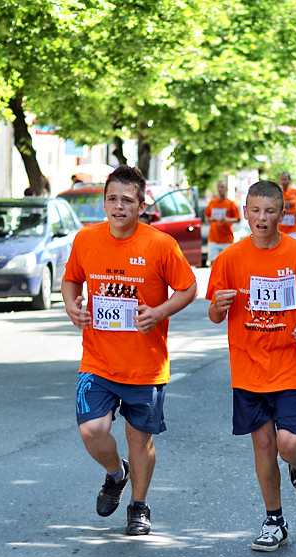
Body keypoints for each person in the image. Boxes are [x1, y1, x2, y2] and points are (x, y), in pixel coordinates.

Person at [62, 165, 198, 536]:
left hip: (145, 365)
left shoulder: (160, 245)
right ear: (103, 203)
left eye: (127, 200)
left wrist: (159, 312)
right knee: (92, 430)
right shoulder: (86, 239)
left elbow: (188, 288)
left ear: (141, 206)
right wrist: (72, 306)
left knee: (139, 438)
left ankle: (139, 505)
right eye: (112, 199)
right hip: (98, 360)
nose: (119, 206)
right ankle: (116, 473)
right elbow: (71, 280)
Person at [206, 180, 296, 552]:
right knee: (263, 445)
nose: (262, 218)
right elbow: (214, 314)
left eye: (270, 211)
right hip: (248, 367)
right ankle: (274, 520)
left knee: (288, 444)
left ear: (282, 213)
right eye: (255, 211)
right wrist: (218, 306)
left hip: (292, 362)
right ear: (245, 212)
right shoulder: (229, 258)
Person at [205, 179, 241, 263]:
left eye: (222, 187)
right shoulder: (212, 202)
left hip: (227, 239)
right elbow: (207, 216)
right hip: (213, 238)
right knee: (214, 262)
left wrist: (227, 220)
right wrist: (209, 219)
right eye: (218, 187)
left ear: (226, 189)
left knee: (227, 262)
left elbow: (238, 219)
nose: (219, 189)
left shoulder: (231, 204)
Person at [278, 172, 296, 240]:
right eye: (281, 179)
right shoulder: (277, 193)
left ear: (289, 180)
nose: (283, 182)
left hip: (293, 229)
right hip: (279, 229)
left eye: (285, 179)